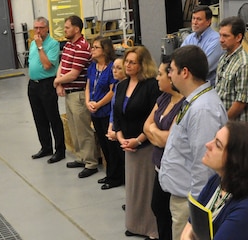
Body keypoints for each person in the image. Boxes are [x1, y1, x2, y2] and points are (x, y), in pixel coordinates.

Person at [158, 45, 227, 240]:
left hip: (190, 203)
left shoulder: (203, 109)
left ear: (185, 72)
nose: (169, 75)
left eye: (171, 70)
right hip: (183, 198)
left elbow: (204, 164)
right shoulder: (194, 102)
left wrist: (197, 210)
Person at [181, 121, 248, 240]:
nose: (208, 145)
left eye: (218, 145)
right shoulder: (217, 180)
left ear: (236, 160)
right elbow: (191, 225)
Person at [113, 46, 161, 239]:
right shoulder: (122, 85)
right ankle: (134, 224)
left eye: (133, 62)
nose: (128, 65)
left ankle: (150, 228)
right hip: (127, 144)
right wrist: (120, 137)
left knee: (146, 188)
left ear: (143, 65)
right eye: (127, 61)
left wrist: (138, 140)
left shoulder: (151, 86)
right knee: (132, 187)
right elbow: (117, 114)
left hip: (145, 145)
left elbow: (154, 117)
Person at [144, 55, 185, 240]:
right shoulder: (163, 98)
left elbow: (166, 140)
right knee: (158, 207)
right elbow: (146, 126)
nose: (157, 78)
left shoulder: (185, 104)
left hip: (176, 169)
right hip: (159, 165)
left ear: (172, 76)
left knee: (171, 215)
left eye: (160, 74)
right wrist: (155, 132)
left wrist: (154, 131)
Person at [53, 15, 98, 178]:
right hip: (69, 93)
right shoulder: (68, 46)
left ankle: (91, 163)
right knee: (73, 128)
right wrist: (58, 82)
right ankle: (81, 157)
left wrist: (57, 81)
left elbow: (73, 74)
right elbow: (63, 65)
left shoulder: (82, 47)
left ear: (77, 29)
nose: (64, 30)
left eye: (67, 27)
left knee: (83, 129)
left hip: (79, 93)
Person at [28, 16, 65, 163]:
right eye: (35, 27)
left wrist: (40, 46)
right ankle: (46, 147)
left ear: (47, 28)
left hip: (47, 84)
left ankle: (60, 150)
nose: (37, 31)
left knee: (53, 118)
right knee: (39, 118)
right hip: (33, 85)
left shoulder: (53, 44)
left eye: (40, 28)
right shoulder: (32, 43)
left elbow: (47, 65)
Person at [84, 36, 118, 189]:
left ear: (105, 50)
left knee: (112, 147)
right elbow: (89, 86)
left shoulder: (111, 68)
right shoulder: (92, 67)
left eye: (96, 47)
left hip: (105, 111)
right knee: (103, 146)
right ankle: (110, 174)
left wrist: (98, 104)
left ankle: (115, 177)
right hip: (94, 111)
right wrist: (87, 103)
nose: (92, 50)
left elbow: (112, 91)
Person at [215, 16, 248, 122]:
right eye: (220, 35)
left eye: (225, 36)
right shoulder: (223, 58)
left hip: (236, 126)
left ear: (238, 37)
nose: (221, 40)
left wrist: (224, 122)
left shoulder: (245, 63)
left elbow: (241, 102)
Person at [181, 5, 224, 86]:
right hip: (189, 86)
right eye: (193, 18)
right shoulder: (189, 38)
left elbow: (203, 68)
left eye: (199, 19)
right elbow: (179, 61)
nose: (195, 22)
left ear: (208, 22)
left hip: (207, 88)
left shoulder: (216, 40)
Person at [101, 57, 126, 190]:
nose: (114, 71)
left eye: (118, 68)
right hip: (114, 126)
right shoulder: (117, 86)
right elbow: (114, 109)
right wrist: (111, 127)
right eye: (113, 68)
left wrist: (117, 131)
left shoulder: (126, 87)